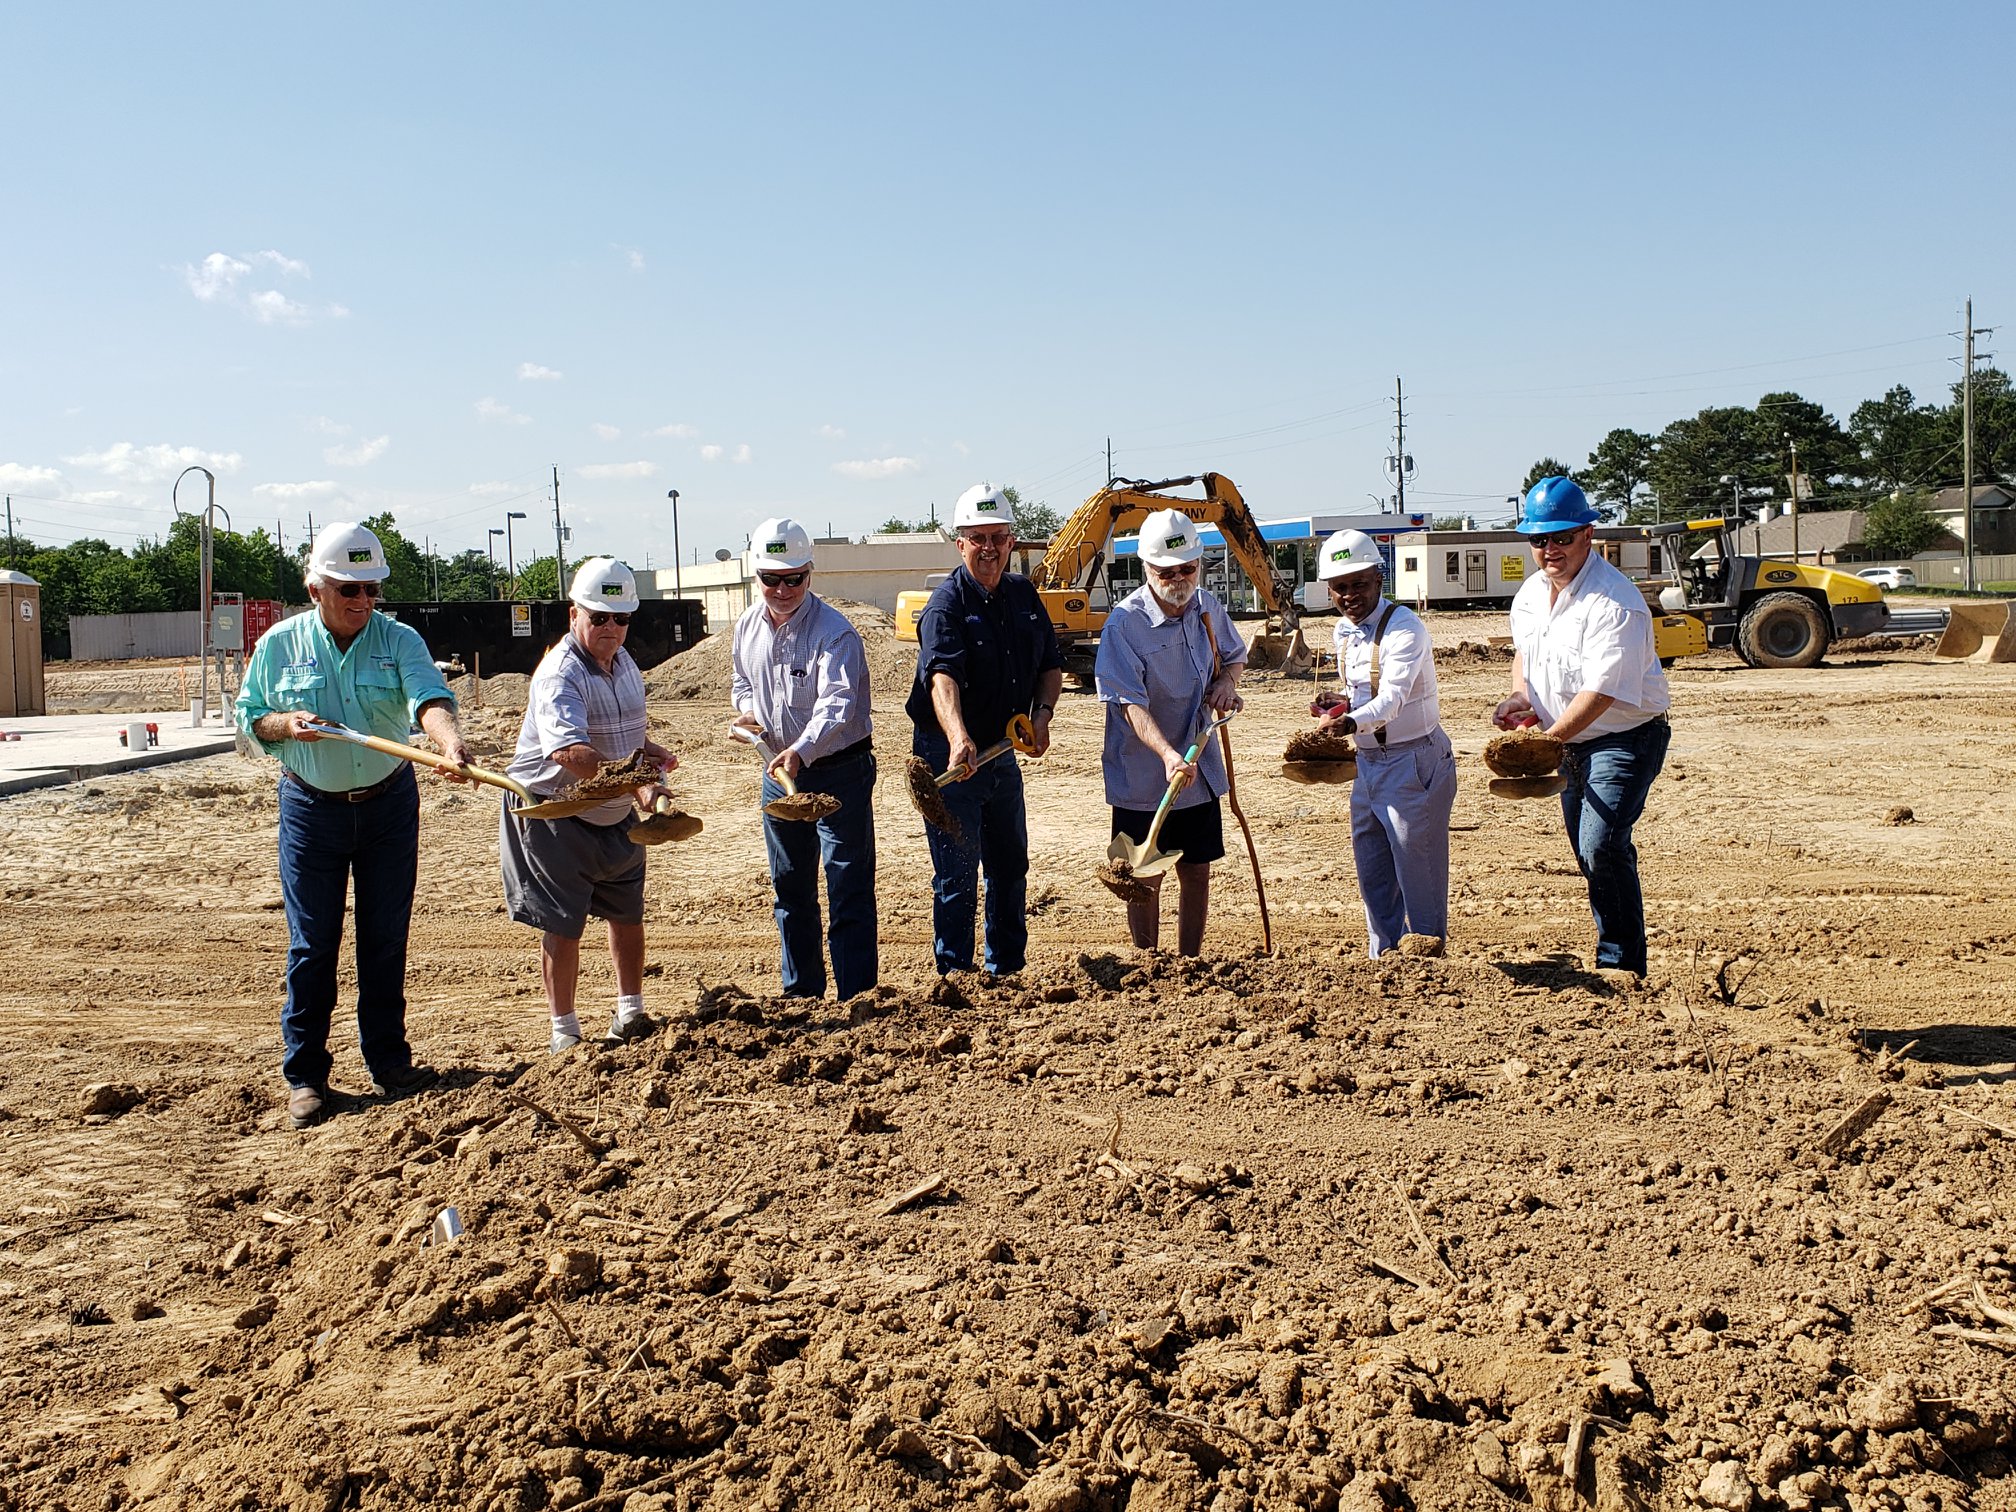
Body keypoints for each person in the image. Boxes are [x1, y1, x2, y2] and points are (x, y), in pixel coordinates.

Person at [236, 521, 469, 1129]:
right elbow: (250, 720)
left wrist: (449, 743)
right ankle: (307, 1075)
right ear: (316, 587)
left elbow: (430, 699)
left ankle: (389, 1062)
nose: (363, 601)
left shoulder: (399, 641)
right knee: (313, 944)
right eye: (350, 589)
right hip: (312, 811)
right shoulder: (280, 645)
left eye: (372, 590)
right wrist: (286, 724)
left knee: (385, 938)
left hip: (389, 804)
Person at [1492, 477, 1672, 978]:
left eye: (1562, 537)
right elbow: (1525, 655)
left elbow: (1604, 690)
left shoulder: (1615, 601)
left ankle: (1620, 966)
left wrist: (1545, 742)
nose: (1550, 549)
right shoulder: (1529, 595)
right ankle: (1616, 953)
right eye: (1539, 539)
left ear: (1587, 534)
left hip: (1624, 737)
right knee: (1589, 851)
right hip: (1570, 743)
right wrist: (1522, 698)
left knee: (1601, 843)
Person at [501, 557, 677, 1052]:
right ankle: (565, 1033)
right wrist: (639, 784)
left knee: (627, 911)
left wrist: (648, 754)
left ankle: (631, 1013)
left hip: (612, 811)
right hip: (556, 810)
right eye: (599, 617)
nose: (611, 628)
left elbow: (629, 733)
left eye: (621, 619)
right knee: (564, 921)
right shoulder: (560, 673)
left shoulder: (625, 665)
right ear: (574, 613)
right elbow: (570, 753)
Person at [905, 483, 1062, 977]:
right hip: (950, 753)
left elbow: (1051, 667)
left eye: (998, 537)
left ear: (1012, 540)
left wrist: (1041, 716)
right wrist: (958, 738)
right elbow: (942, 678)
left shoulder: (1022, 594)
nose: (989, 548)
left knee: (1010, 865)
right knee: (957, 873)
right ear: (961, 543)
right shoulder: (945, 606)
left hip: (1002, 748)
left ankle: (1006, 970)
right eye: (978, 538)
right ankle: (955, 976)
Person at [730, 517, 879, 1000]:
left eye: (794, 577)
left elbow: (837, 704)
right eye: (772, 579)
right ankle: (801, 997)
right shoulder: (747, 628)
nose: (783, 589)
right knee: (790, 887)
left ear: (810, 573)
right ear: (756, 577)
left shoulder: (836, 635)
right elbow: (742, 683)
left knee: (846, 885)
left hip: (839, 773)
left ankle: (857, 999)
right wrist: (749, 714)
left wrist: (801, 750)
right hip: (779, 773)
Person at [1094, 508, 1247, 956]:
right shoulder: (1124, 625)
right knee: (1145, 876)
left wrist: (1226, 683)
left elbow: (1234, 656)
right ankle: (1149, 962)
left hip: (1198, 768)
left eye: (1188, 568)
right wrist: (1166, 755)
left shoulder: (1207, 606)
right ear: (1147, 568)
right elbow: (1128, 704)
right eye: (1168, 571)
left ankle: (1189, 962)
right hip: (1144, 776)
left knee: (1197, 869)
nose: (1179, 578)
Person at [1310, 528, 1458, 955]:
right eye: (1340, 587)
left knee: (1419, 873)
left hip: (1413, 761)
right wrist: (1342, 704)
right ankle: (1386, 960)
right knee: (1373, 870)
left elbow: (1392, 700)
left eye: (1359, 584)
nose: (1350, 595)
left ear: (1380, 577)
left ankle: (1429, 963)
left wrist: (1345, 724)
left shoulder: (1405, 629)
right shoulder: (1343, 632)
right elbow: (1366, 692)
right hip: (1369, 764)